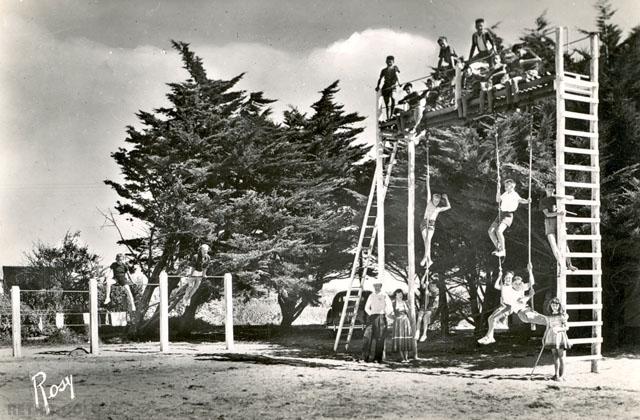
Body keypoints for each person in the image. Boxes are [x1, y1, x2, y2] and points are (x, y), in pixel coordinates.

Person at [539, 182, 577, 271]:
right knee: (553, 244)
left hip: (559, 222)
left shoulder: (557, 198)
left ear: (554, 189)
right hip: (549, 222)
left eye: (552, 187)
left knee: (565, 244)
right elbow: (547, 214)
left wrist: (564, 198)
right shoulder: (543, 201)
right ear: (545, 189)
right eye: (548, 187)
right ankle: (561, 264)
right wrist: (559, 213)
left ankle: (569, 264)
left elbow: (571, 198)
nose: (550, 188)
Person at [488, 178, 530, 258]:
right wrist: (498, 189)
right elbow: (498, 200)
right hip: (500, 214)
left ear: (513, 186)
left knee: (499, 231)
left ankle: (503, 250)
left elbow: (521, 200)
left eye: (508, 185)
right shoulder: (505, 193)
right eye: (505, 186)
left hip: (508, 215)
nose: (506, 187)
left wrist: (527, 201)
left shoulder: (515, 194)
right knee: (490, 231)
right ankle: (499, 248)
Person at [420, 177, 451, 267]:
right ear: (433, 199)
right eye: (435, 200)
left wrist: (446, 198)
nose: (436, 202)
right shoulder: (429, 203)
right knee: (426, 241)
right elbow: (428, 189)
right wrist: (427, 180)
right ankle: (428, 259)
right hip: (424, 222)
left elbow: (449, 207)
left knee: (428, 240)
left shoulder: (438, 209)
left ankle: (426, 258)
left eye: (437, 201)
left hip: (431, 224)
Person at [477, 268, 515, 344]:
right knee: (490, 318)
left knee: (494, 319)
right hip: (503, 306)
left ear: (512, 279)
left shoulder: (513, 286)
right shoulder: (503, 286)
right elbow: (496, 286)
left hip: (509, 307)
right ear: (504, 278)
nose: (508, 279)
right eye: (507, 277)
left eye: (510, 278)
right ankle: (490, 337)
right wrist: (499, 276)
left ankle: (489, 337)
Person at [363, 281, 393, 363]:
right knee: (367, 337)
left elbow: (390, 307)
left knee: (380, 338)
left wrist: (385, 312)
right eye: (375, 286)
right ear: (373, 286)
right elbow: (366, 307)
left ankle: (378, 358)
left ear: (381, 286)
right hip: (372, 317)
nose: (377, 287)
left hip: (381, 317)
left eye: (378, 286)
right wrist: (371, 313)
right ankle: (366, 357)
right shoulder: (371, 295)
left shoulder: (384, 295)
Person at [375, 55, 401, 120]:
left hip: (393, 86)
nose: (389, 63)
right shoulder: (384, 70)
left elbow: (397, 76)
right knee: (387, 104)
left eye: (391, 61)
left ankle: (391, 115)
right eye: (388, 61)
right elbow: (380, 79)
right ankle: (388, 117)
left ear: (393, 62)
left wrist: (399, 83)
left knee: (393, 98)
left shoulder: (395, 68)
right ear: (386, 62)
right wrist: (378, 86)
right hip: (386, 87)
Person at [391, 289, 412, 362]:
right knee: (399, 339)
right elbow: (390, 313)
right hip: (398, 322)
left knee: (405, 338)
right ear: (395, 295)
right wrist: (395, 319)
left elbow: (409, 312)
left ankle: (406, 358)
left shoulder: (405, 302)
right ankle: (402, 357)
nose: (400, 295)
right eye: (398, 294)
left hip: (405, 321)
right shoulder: (393, 303)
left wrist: (407, 307)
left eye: (401, 294)